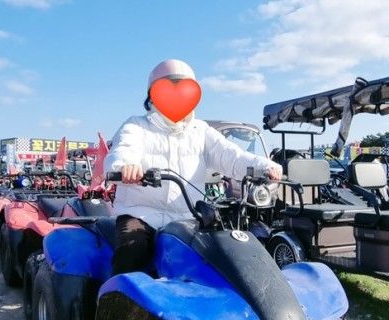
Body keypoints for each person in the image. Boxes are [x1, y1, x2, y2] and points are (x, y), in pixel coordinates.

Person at [104, 59, 282, 274]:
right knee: (133, 250)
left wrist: (263, 166)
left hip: (187, 216)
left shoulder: (200, 130)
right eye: (168, 89)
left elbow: (231, 155)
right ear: (152, 95)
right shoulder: (137, 125)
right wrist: (125, 166)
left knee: (216, 256)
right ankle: (117, 303)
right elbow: (124, 148)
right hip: (142, 213)